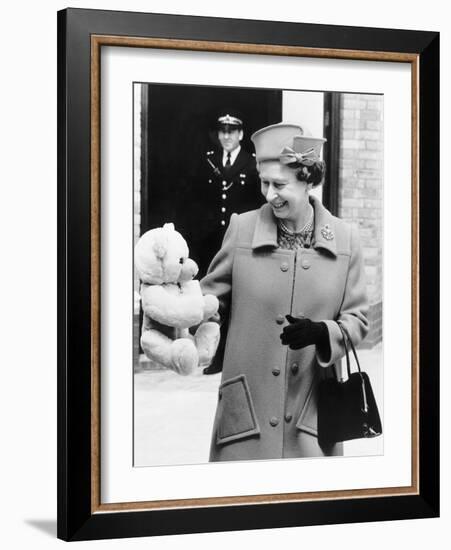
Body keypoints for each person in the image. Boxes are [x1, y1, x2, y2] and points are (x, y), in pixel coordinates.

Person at [200, 122, 369, 461]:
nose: (268, 194)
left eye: (279, 184)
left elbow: (358, 320)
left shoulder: (346, 239)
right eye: (264, 183)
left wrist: (325, 332)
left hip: (312, 415)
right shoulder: (241, 229)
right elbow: (208, 302)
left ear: (307, 180)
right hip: (246, 414)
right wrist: (187, 315)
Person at [199, 112, 262, 375]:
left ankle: (228, 354)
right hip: (213, 242)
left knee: (237, 299)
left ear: (241, 135)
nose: (226, 136)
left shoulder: (251, 164)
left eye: (231, 131)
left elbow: (256, 204)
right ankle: (213, 355)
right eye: (222, 131)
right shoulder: (208, 160)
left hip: (240, 242)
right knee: (212, 299)